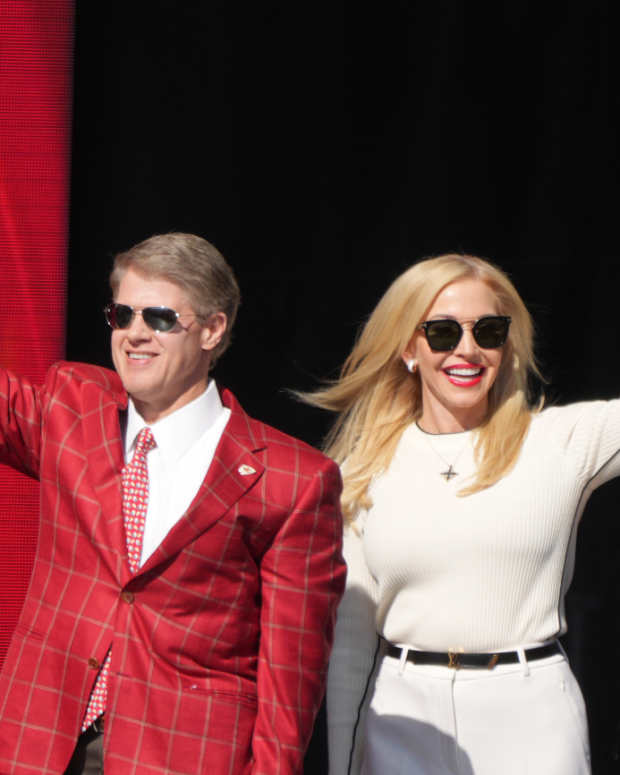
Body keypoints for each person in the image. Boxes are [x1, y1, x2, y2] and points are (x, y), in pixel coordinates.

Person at [0, 232, 346, 775]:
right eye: (122, 315)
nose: (135, 334)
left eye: (159, 318)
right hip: (38, 742)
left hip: (180, 754)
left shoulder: (292, 479)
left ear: (212, 330)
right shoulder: (74, 406)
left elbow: (290, 680)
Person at [304, 252, 617, 775]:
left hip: (531, 714)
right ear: (409, 346)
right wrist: (342, 764)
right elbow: (352, 643)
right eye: (444, 333)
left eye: (488, 330)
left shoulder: (562, 442)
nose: (468, 350)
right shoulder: (360, 469)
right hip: (400, 717)